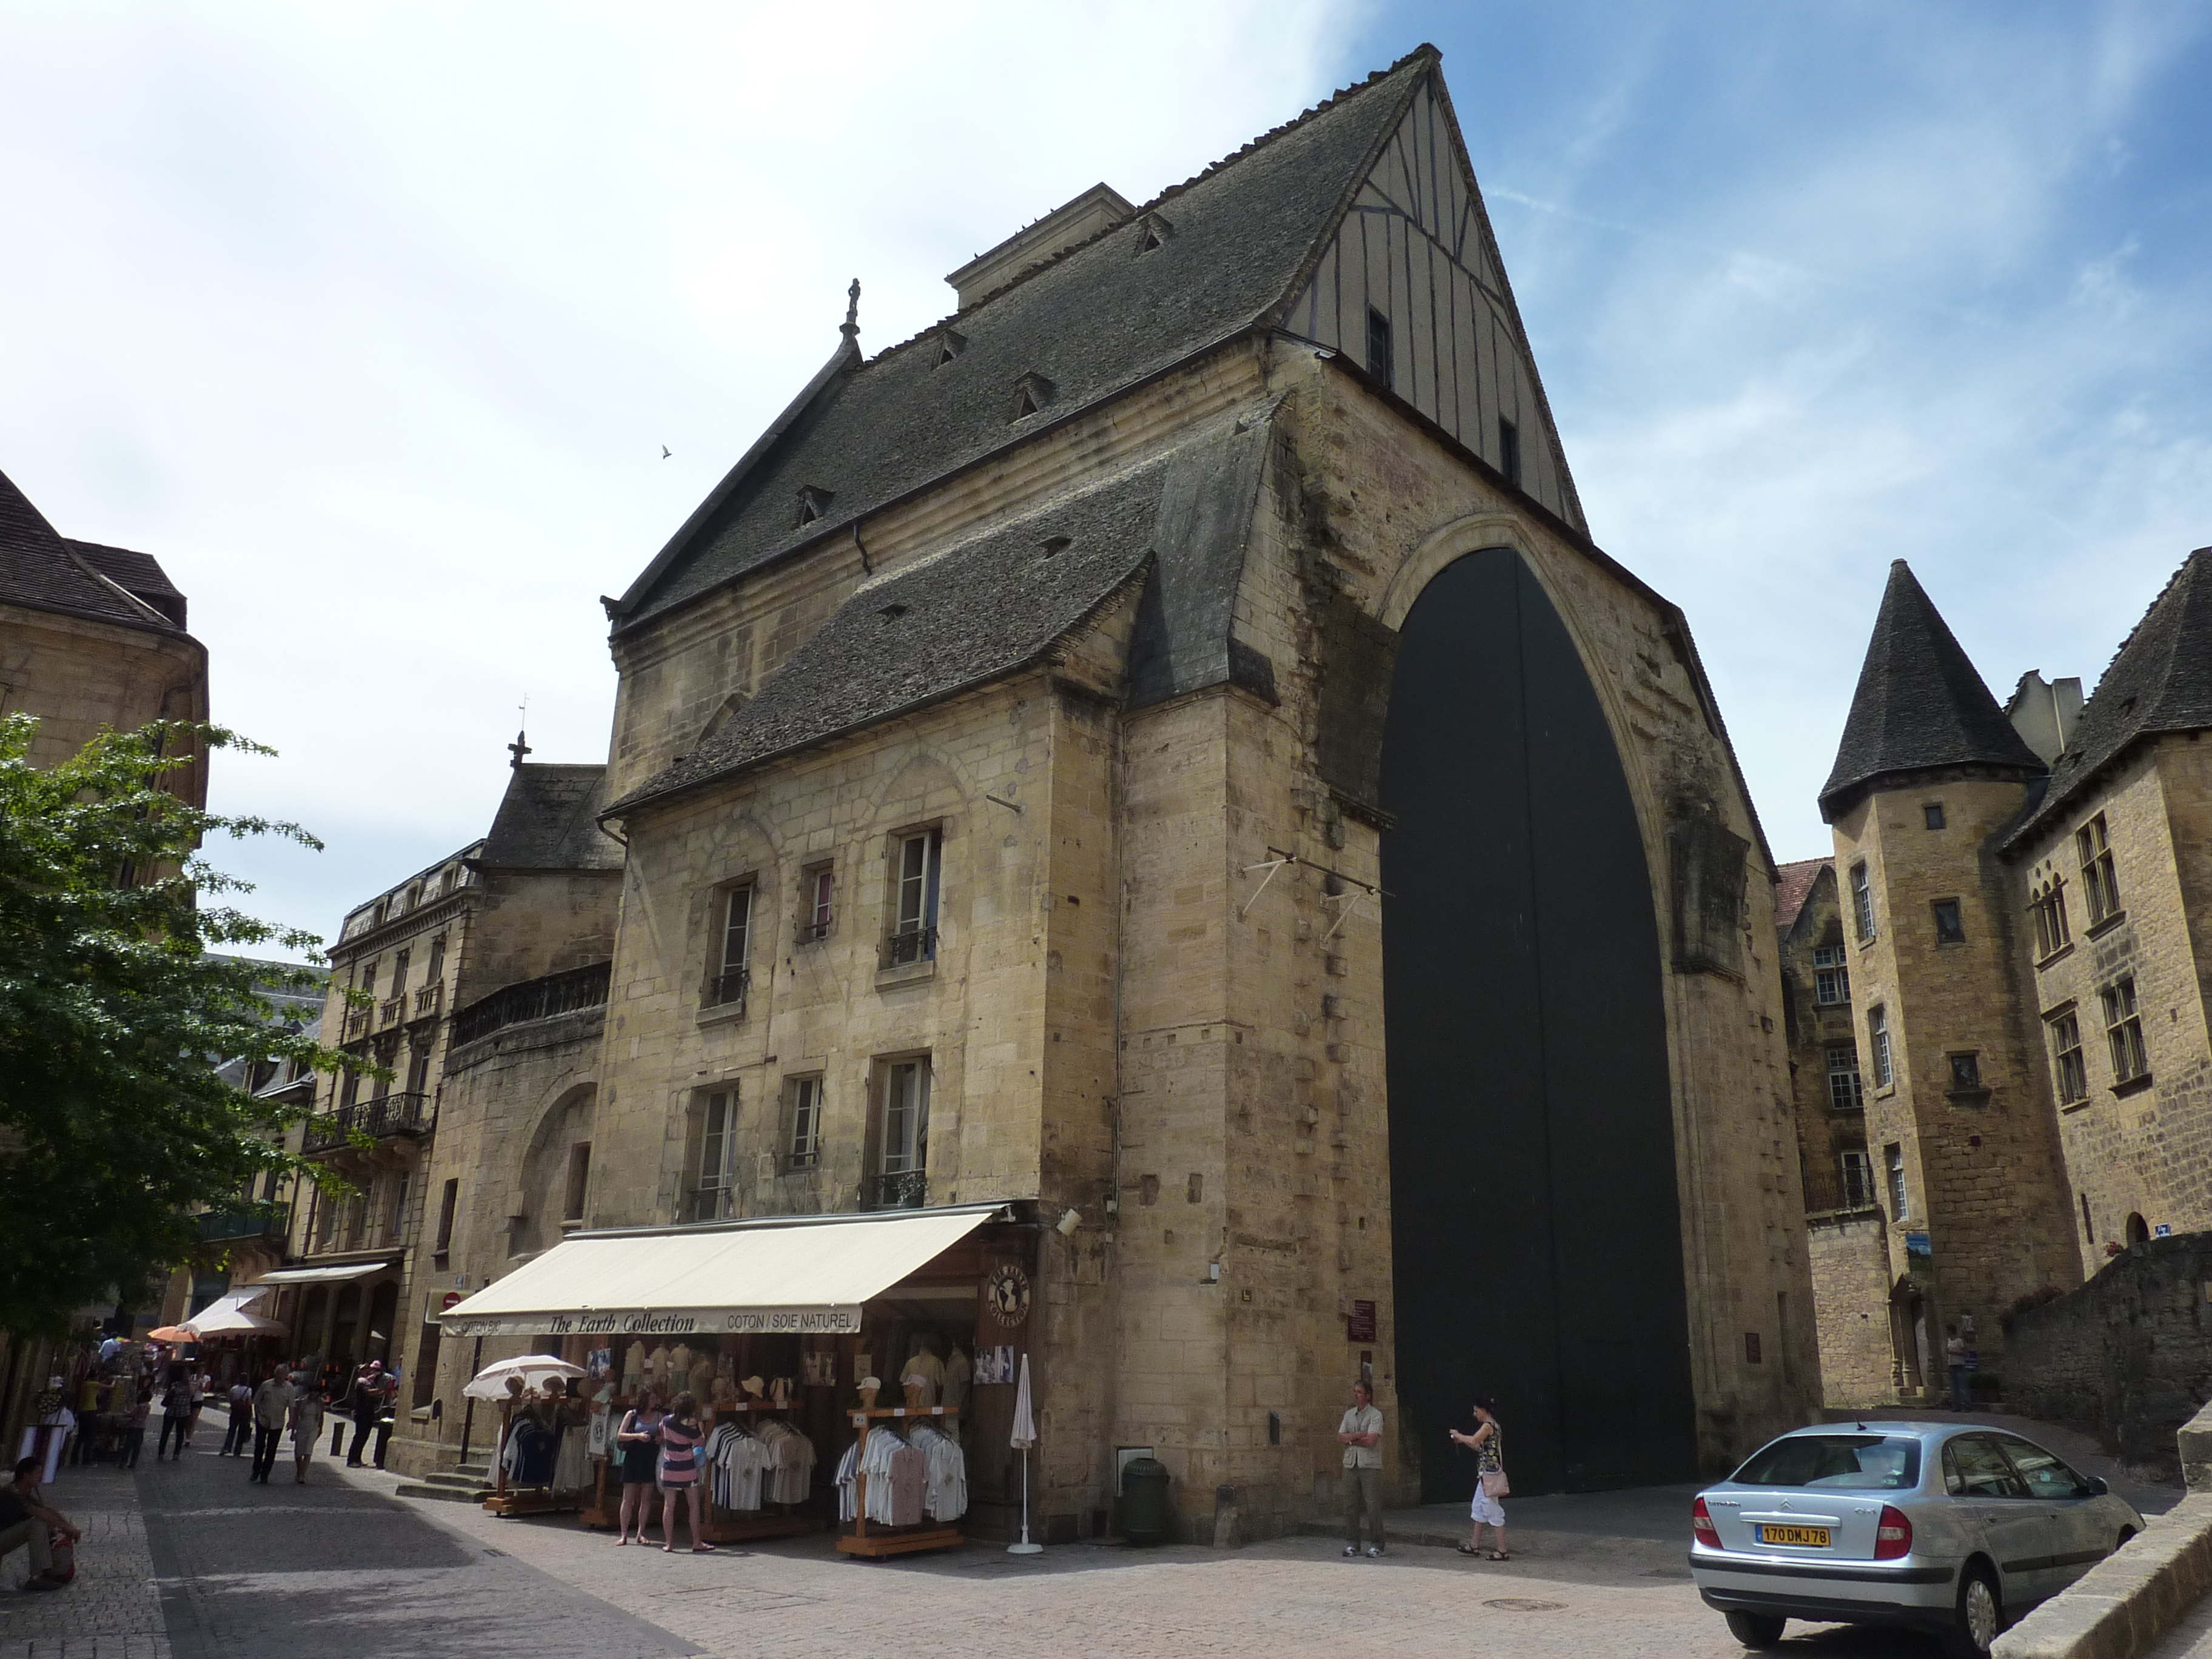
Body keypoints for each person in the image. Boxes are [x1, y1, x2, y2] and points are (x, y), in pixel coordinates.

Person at [0, 1457, 80, 1592]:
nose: (40, 1476)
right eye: (37, 1473)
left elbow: (47, 1509)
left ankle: (47, 1571)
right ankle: (37, 1576)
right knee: (36, 1525)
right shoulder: (11, 1493)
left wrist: (68, 1526)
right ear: (26, 1475)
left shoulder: (23, 1493)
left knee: (44, 1523)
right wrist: (67, 1527)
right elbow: (39, 1513)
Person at [1450, 1398, 1509, 1560]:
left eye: (1476, 1411)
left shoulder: (1488, 1426)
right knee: (1478, 1508)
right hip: (1485, 1474)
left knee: (1492, 1509)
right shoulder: (1493, 1426)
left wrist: (1459, 1436)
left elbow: (1475, 1440)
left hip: (1489, 1474)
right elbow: (1478, 1447)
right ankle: (1474, 1545)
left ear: (1484, 1410)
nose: (1474, 1414)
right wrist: (1462, 1440)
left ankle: (1502, 1549)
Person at [656, 1391, 714, 1553]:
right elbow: (700, 1442)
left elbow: (662, 1431)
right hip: (687, 1468)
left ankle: (668, 1543)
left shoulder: (666, 1421)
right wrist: (701, 1428)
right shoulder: (691, 1425)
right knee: (694, 1505)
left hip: (669, 1467)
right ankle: (696, 1541)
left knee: (669, 1505)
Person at [1336, 1379, 1386, 1558]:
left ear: (1368, 1395)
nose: (1356, 1395)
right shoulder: (1349, 1415)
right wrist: (1357, 1435)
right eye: (1355, 1392)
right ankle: (1352, 1543)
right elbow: (1340, 1437)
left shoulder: (1376, 1415)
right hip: (1350, 1463)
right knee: (1350, 1505)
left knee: (1372, 1506)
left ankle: (1377, 1544)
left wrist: (1351, 1440)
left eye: (1359, 1392)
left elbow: (1371, 1441)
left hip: (1369, 1465)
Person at [613, 1386, 664, 1546]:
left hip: (650, 1457)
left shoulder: (659, 1416)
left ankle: (641, 1532)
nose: (655, 1401)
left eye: (656, 1398)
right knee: (628, 1498)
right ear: (645, 1399)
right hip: (634, 1456)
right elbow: (620, 1435)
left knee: (646, 1498)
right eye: (652, 1398)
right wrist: (638, 1436)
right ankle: (623, 1534)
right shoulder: (632, 1415)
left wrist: (660, 1439)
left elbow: (665, 1434)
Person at [250, 1368, 297, 1484]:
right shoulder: (266, 1385)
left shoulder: (289, 1388)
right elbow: (256, 1401)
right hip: (263, 1420)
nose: (280, 1377)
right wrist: (257, 1416)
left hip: (278, 1422)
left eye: (282, 1375)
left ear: (286, 1376)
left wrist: (291, 1421)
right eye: (278, 1375)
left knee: (272, 1449)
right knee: (259, 1446)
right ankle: (256, 1470)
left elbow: (292, 1406)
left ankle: (265, 1474)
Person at [346, 1361, 392, 1467]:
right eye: (365, 1369)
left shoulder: (370, 1381)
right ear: (360, 1371)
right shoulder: (361, 1381)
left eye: (368, 1369)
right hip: (362, 1411)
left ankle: (358, 1458)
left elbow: (376, 1394)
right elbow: (369, 1392)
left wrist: (385, 1391)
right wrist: (382, 1389)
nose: (368, 1371)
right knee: (360, 1436)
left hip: (369, 1410)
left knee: (365, 1436)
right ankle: (352, 1459)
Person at [289, 1379, 324, 1484]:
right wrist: (293, 1431)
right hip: (301, 1427)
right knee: (299, 1452)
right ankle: (299, 1471)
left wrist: (321, 1428)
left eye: (316, 1392)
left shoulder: (321, 1403)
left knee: (308, 1452)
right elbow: (296, 1416)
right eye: (312, 1391)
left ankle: (302, 1475)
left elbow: (321, 1416)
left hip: (313, 1427)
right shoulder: (301, 1401)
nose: (314, 1394)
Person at [157, 1371, 193, 1460]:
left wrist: (190, 1383)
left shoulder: (191, 1386)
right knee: (166, 1432)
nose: (186, 1377)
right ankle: (161, 1452)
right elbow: (169, 1395)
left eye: (188, 1376)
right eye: (185, 1375)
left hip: (183, 1412)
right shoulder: (174, 1385)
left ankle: (177, 1453)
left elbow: (192, 1393)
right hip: (172, 1411)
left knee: (180, 1433)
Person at [221, 1376, 255, 1456]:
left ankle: (227, 1447)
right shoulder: (248, 1390)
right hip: (244, 1413)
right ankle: (237, 1450)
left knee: (232, 1430)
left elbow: (230, 1399)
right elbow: (249, 1402)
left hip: (235, 1412)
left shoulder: (234, 1389)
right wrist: (251, 1413)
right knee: (241, 1432)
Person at [120, 1386, 152, 1469]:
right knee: (137, 1446)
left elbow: (132, 1415)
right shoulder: (148, 1406)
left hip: (133, 1426)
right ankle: (133, 1463)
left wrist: (124, 1412)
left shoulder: (140, 1406)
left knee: (128, 1445)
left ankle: (123, 1462)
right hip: (142, 1427)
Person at [1945, 1324, 1971, 1412]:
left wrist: (1953, 1352)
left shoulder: (1959, 1341)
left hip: (1959, 1365)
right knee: (1954, 1387)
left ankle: (1966, 1405)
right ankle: (1956, 1406)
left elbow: (1965, 1352)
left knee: (1962, 1387)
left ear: (1951, 1331)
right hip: (1951, 1365)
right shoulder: (1949, 1341)